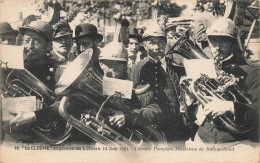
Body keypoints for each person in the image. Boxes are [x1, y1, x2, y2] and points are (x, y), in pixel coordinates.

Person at [185, 18, 259, 146]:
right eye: (213, 40)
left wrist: (229, 106)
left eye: (223, 41)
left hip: (237, 143)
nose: (217, 47)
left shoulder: (251, 72)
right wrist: (190, 98)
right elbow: (190, 118)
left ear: (233, 43)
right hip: (202, 140)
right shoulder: (204, 68)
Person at [131, 23, 187, 142]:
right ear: (145, 45)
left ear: (166, 43)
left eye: (161, 42)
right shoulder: (138, 68)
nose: (157, 47)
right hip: (153, 130)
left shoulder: (176, 66)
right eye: (152, 43)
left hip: (178, 128)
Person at [19, 20, 56, 90]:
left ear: (48, 45)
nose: (30, 46)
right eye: (27, 41)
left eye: (36, 41)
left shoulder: (56, 70)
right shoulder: (15, 67)